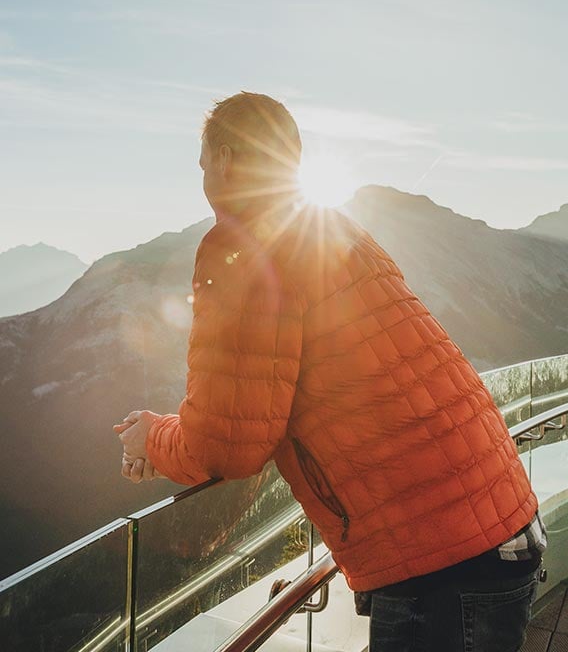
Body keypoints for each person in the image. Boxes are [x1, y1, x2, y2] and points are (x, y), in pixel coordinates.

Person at [114, 92, 546, 651]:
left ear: (223, 159)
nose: (201, 177)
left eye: (201, 164)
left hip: (439, 567)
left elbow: (229, 444)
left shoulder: (244, 244)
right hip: (499, 522)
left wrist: (155, 437)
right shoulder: (338, 232)